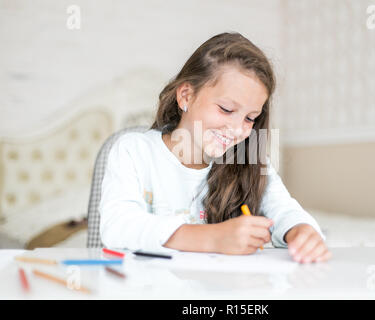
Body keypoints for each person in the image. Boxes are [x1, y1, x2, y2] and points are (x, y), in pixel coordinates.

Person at [99, 32, 332, 264]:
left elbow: (285, 211)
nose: (237, 129)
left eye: (250, 118)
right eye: (227, 109)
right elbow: (118, 227)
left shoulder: (247, 159)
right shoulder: (133, 151)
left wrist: (301, 231)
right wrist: (212, 238)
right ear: (186, 96)